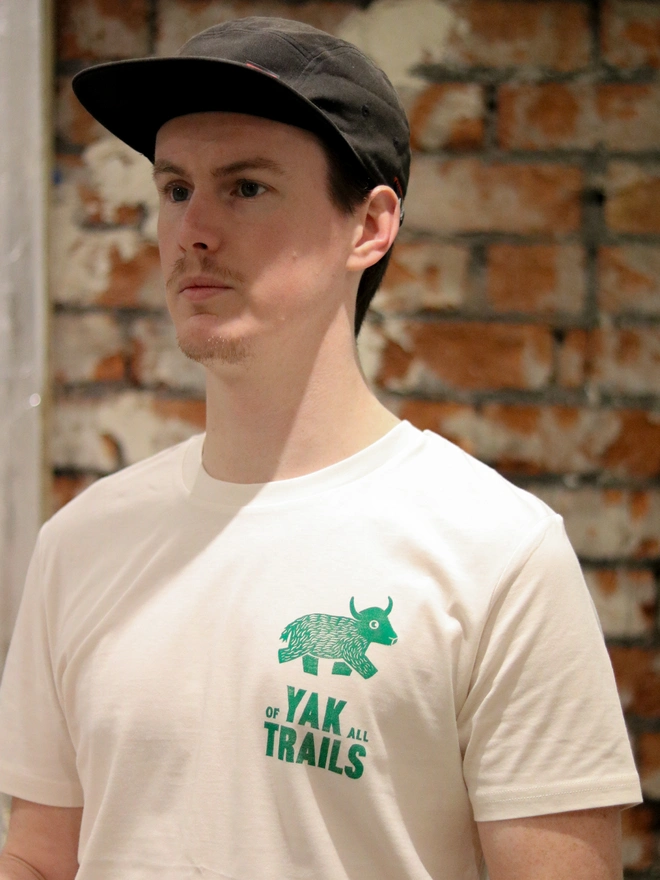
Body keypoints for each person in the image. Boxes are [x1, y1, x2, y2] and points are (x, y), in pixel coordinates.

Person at [0, 16, 642, 880]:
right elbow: (40, 860)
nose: (192, 228)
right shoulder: (82, 544)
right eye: (175, 187)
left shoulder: (498, 553)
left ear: (370, 226)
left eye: (247, 188)